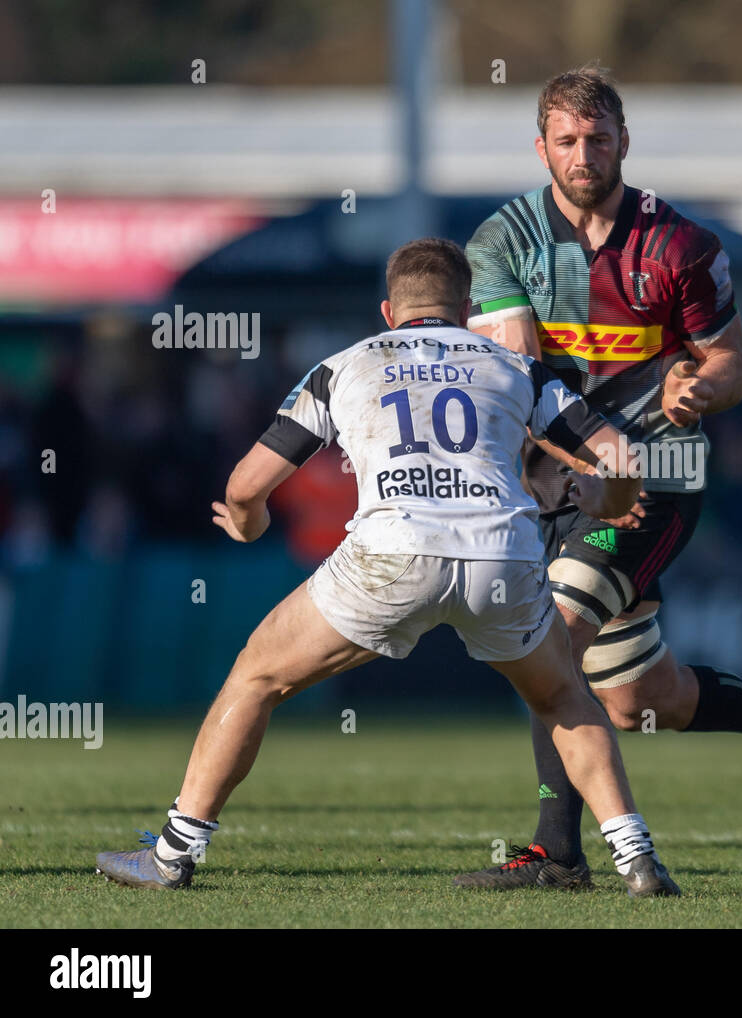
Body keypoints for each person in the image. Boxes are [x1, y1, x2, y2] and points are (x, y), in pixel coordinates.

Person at [95, 237, 680, 898]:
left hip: (393, 552)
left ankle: (172, 855)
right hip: (502, 553)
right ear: (466, 308)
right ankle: (638, 861)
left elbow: (243, 487)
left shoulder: (345, 365)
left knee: (256, 677)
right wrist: (609, 498)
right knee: (564, 698)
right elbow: (624, 461)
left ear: (387, 310)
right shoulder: (517, 367)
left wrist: (248, 522)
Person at [453, 64, 742, 891]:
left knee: (550, 635)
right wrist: (583, 459)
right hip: (556, 480)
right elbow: (519, 379)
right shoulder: (502, 243)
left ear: (625, 141)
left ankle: (556, 853)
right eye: (567, 140)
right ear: (542, 147)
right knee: (638, 700)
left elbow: (732, 361)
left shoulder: (682, 246)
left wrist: (702, 387)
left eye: (598, 138)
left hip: (659, 472)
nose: (583, 154)